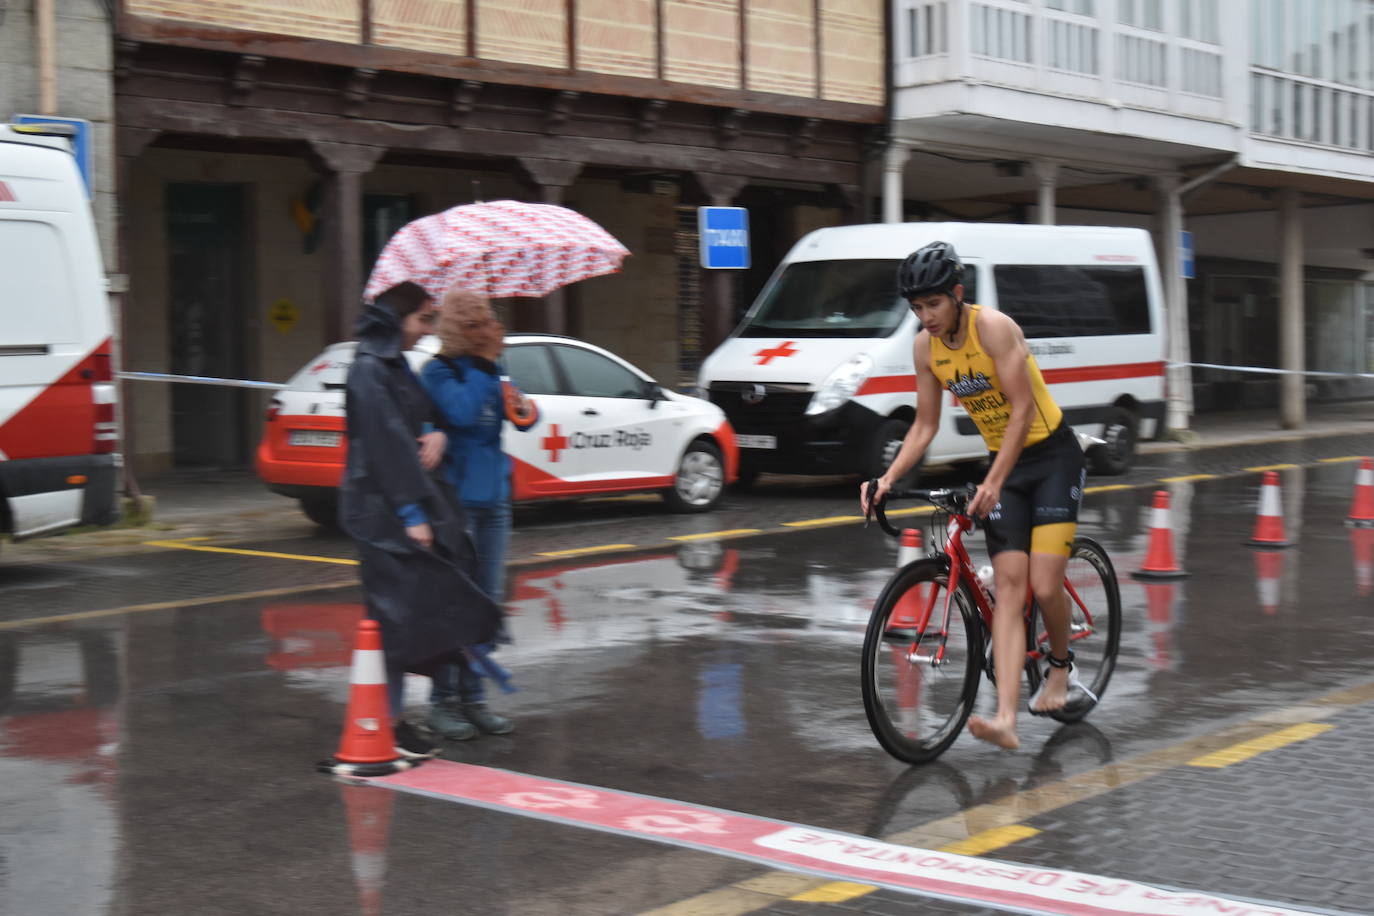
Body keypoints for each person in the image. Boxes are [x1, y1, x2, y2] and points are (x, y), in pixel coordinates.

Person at [859, 240, 1089, 751]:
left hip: (1051, 458)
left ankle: (1059, 670)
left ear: (957, 295)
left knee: (1045, 584)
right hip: (1004, 466)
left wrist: (992, 481)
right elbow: (924, 425)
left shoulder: (995, 329)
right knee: (1010, 587)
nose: (926, 317)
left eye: (934, 304)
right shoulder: (926, 347)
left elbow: (1023, 411)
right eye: (917, 308)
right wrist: (887, 480)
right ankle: (1006, 716)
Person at [340, 281, 503, 758]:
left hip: (395, 506)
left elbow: (426, 416)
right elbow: (385, 446)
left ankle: (393, 719)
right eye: (422, 319)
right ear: (398, 320)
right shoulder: (369, 371)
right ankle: (388, 721)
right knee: (390, 618)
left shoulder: (393, 366)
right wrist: (413, 514)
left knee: (405, 616)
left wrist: (437, 435)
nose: (427, 329)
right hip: (380, 512)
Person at [418, 286, 539, 740]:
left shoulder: (493, 366)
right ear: (465, 332)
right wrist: (488, 366)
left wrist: (525, 409)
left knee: (486, 604)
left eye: (491, 320)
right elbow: (464, 414)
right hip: (458, 504)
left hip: (495, 501)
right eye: (484, 322)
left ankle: (473, 699)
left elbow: (511, 413)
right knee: (456, 604)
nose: (494, 328)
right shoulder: (439, 371)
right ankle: (441, 702)